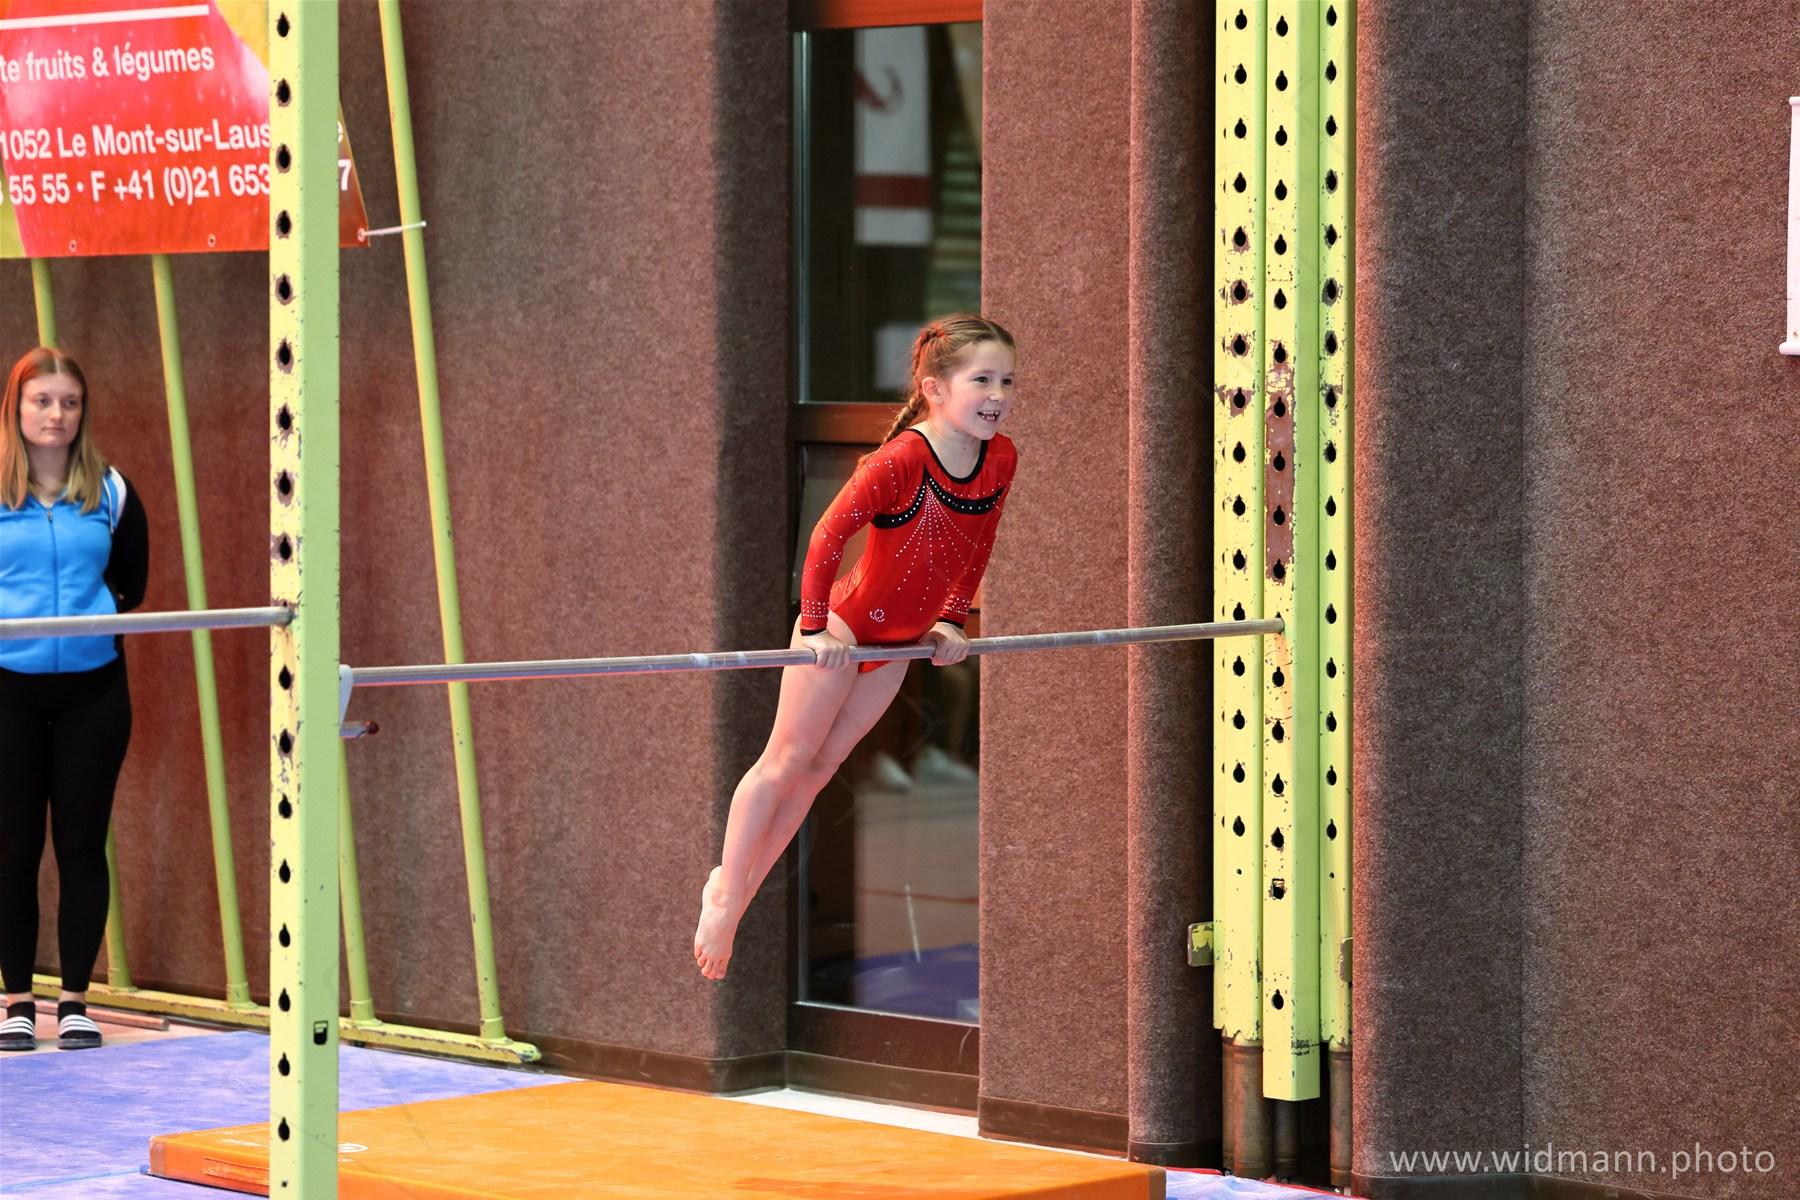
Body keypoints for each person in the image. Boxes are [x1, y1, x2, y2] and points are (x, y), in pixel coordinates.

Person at [694, 313, 1017, 980]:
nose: (997, 395)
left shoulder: (1001, 458)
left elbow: (979, 543)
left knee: (817, 774)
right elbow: (826, 537)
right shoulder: (901, 460)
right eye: (982, 380)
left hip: (899, 642)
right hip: (844, 626)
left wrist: (953, 620)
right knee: (786, 762)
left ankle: (739, 899)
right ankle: (725, 890)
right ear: (935, 388)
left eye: (1006, 381)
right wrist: (816, 628)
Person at [0, 348, 148, 1050]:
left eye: (69, 402)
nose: (56, 414)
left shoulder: (111, 491)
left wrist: (87, 622)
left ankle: (77, 1001)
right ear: (16, 407)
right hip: (7, 691)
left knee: (82, 845)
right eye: (43, 401)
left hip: (94, 691)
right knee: (13, 848)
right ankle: (17, 1000)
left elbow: (133, 584)